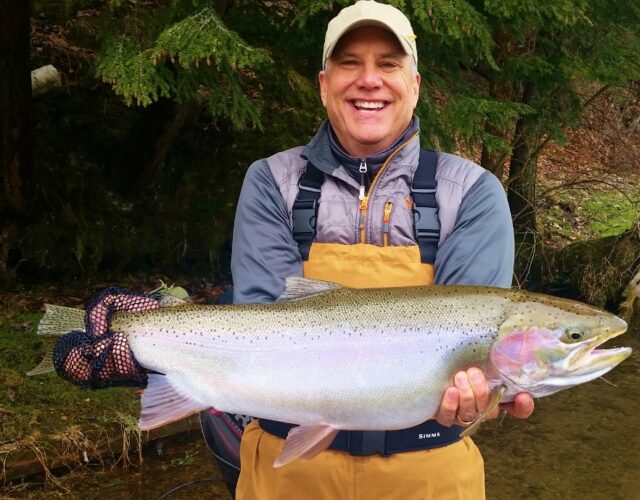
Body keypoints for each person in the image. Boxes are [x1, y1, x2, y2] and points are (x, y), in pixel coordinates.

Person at [53, 1, 534, 498]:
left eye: (389, 64)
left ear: (414, 86)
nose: (369, 80)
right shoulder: (271, 182)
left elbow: (470, 350)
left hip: (430, 473)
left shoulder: (473, 192)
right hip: (286, 474)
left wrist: (481, 393)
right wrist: (162, 346)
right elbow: (260, 324)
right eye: (350, 63)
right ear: (324, 85)